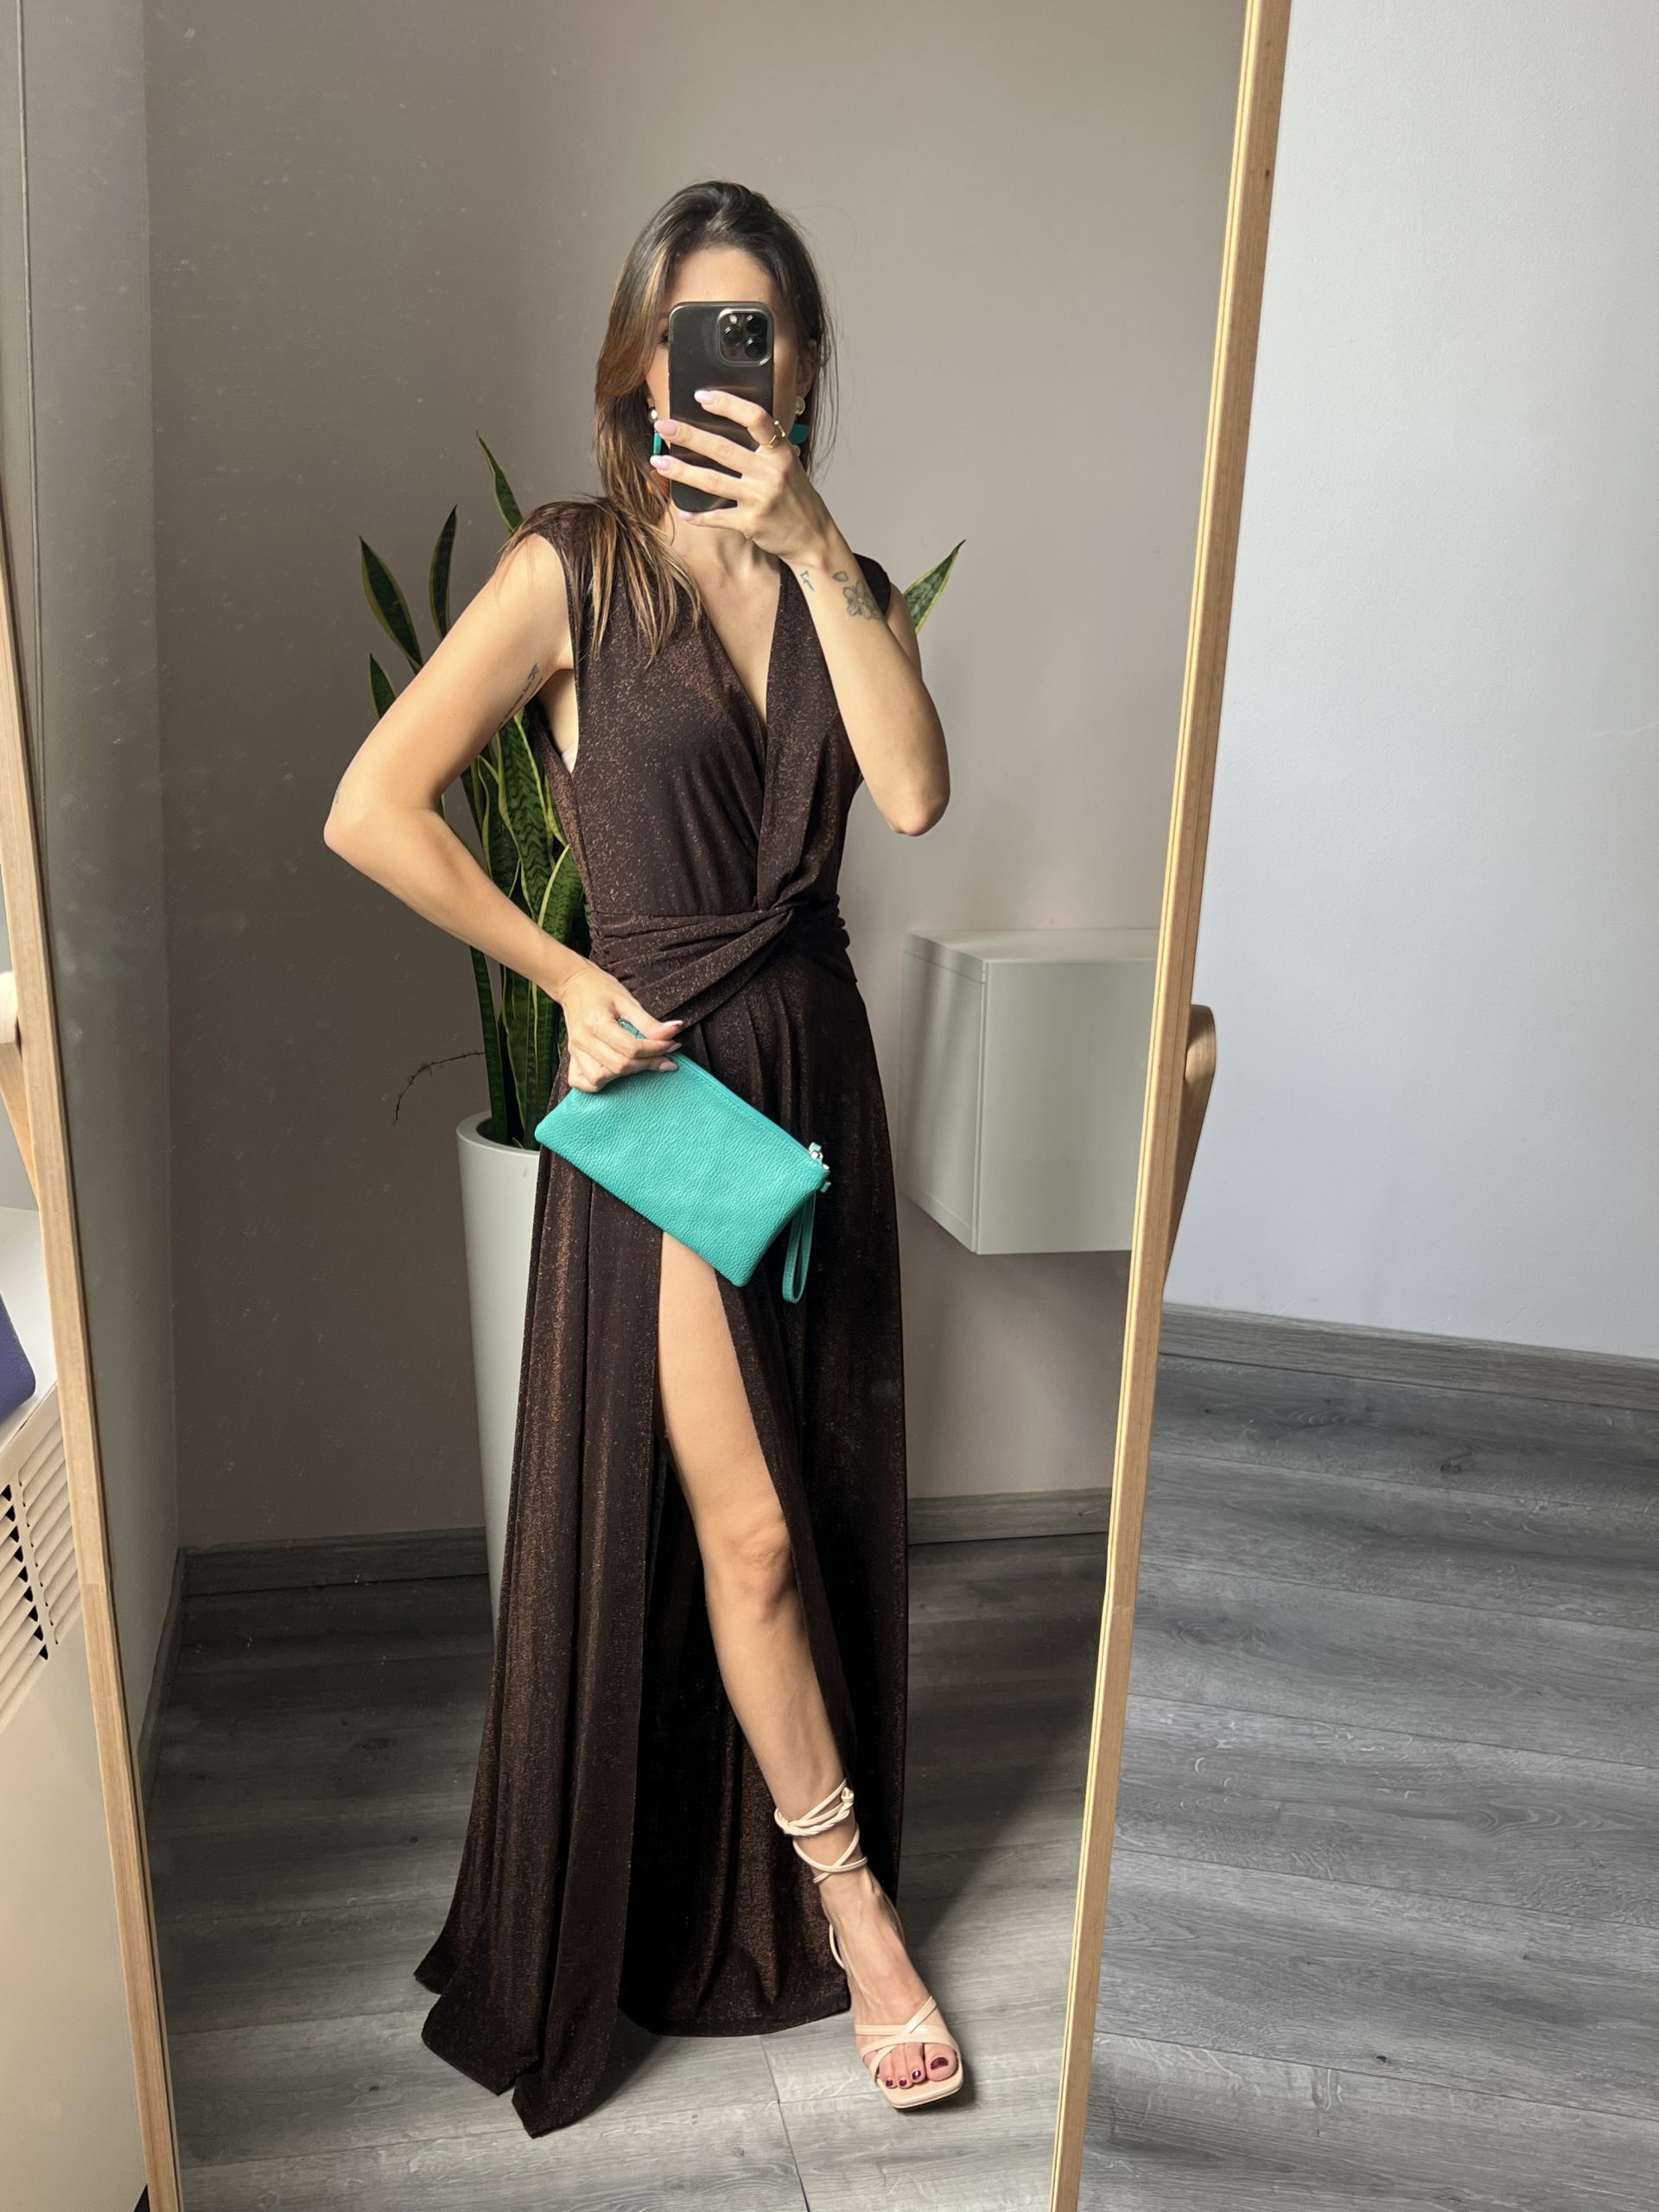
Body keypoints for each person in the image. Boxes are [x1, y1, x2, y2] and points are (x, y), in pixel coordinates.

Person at [323, 177, 957, 2134]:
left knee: (809, 1505)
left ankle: (757, 1875)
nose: (729, 370)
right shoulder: (573, 568)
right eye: (697, 335)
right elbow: (373, 803)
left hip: (816, 1076)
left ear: (806, 365)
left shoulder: (837, 583)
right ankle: (855, 1913)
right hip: (676, 1102)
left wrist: (821, 547)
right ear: (641, 366)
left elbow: (914, 795)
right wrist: (560, 978)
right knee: (744, 1533)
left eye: (763, 333)